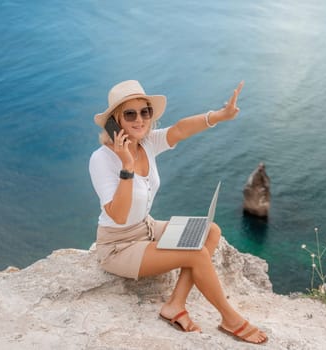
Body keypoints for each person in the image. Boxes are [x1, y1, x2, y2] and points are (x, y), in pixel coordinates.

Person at [89, 80, 268, 344]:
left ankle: (175, 305)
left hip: (145, 229)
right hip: (119, 246)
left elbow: (181, 129)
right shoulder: (101, 159)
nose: (140, 120)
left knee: (209, 231)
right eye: (130, 114)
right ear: (115, 121)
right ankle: (230, 319)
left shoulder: (146, 143)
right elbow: (117, 214)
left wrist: (220, 115)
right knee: (194, 254)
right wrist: (126, 166)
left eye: (145, 112)